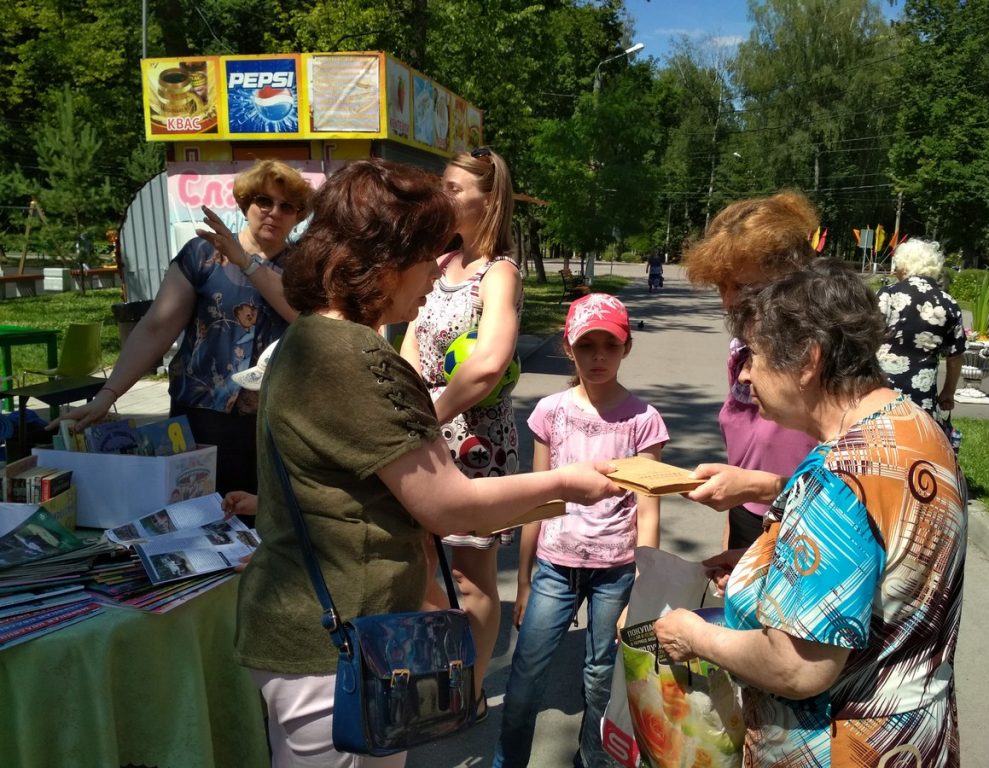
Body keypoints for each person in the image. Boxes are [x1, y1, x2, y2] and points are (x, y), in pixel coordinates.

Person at [234, 158, 620, 768]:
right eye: (428, 254)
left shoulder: (311, 337)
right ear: (382, 263)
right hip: (335, 649)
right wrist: (570, 481)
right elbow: (447, 505)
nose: (436, 272)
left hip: (328, 633)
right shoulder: (355, 356)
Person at [654, 258, 966, 767]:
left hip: (837, 744)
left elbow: (799, 667)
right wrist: (765, 568)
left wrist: (695, 635)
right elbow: (882, 566)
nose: (746, 374)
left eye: (754, 356)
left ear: (808, 361)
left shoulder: (835, 479)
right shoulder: (916, 427)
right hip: (914, 739)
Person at [57, 160, 313, 496]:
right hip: (202, 415)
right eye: (264, 201)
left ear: (297, 216)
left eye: (287, 206)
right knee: (197, 513)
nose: (274, 212)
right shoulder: (202, 255)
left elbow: (307, 320)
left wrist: (247, 263)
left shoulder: (305, 265)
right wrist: (108, 395)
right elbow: (157, 327)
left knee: (266, 522)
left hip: (276, 419)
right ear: (246, 203)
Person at [493, 293, 668, 768]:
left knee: (600, 677)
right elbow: (537, 500)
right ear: (569, 349)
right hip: (554, 568)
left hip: (615, 573)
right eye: (586, 346)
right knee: (526, 678)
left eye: (608, 346)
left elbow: (648, 510)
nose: (597, 357)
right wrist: (524, 580)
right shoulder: (551, 411)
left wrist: (640, 590)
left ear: (625, 348)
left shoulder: (643, 421)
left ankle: (593, 759)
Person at [399, 146, 521, 715]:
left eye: (453, 188)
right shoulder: (439, 261)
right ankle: (436, 676)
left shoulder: (500, 273)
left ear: (488, 197)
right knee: (422, 566)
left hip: (473, 440)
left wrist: (428, 414)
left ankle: (468, 692)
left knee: (471, 580)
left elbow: (490, 362)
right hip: (421, 430)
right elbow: (409, 343)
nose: (443, 197)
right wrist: (398, 404)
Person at [683, 191, 818, 549]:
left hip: (807, 529)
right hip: (750, 518)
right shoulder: (744, 352)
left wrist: (761, 486)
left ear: (791, 277)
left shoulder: (822, 360)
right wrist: (732, 541)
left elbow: (853, 485)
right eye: (721, 286)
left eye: (743, 287)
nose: (728, 301)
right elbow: (745, 458)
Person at [877, 237, 966, 415]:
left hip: (882, 393)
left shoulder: (888, 295)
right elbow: (955, 357)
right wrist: (948, 392)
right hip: (923, 397)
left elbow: (866, 338)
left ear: (904, 267)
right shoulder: (949, 304)